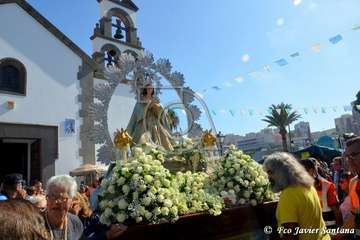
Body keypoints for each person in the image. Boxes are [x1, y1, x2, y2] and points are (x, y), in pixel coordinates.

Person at [263, 152, 330, 240]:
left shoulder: (288, 195)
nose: (268, 177)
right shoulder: (308, 186)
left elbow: (290, 235)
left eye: (270, 172)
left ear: (280, 172)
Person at [126, 83, 173, 151]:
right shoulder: (140, 101)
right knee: (142, 143)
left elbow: (162, 113)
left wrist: (156, 106)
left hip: (155, 124)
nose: (149, 89)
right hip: (143, 125)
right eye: (148, 88)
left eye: (151, 88)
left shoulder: (156, 100)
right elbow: (136, 113)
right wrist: (148, 106)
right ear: (145, 89)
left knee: (159, 142)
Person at [300, 158, 342, 228]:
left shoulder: (327, 186)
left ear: (311, 171)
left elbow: (337, 211)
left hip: (328, 230)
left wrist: (339, 232)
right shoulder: (300, 189)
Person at [44, 175, 84, 240]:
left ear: (71, 200)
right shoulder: (35, 222)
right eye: (52, 196)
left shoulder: (75, 222)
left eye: (62, 198)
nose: (56, 202)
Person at [343, 137, 360, 239]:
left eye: (353, 155)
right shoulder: (353, 182)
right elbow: (355, 214)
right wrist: (337, 234)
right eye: (347, 156)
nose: (349, 160)